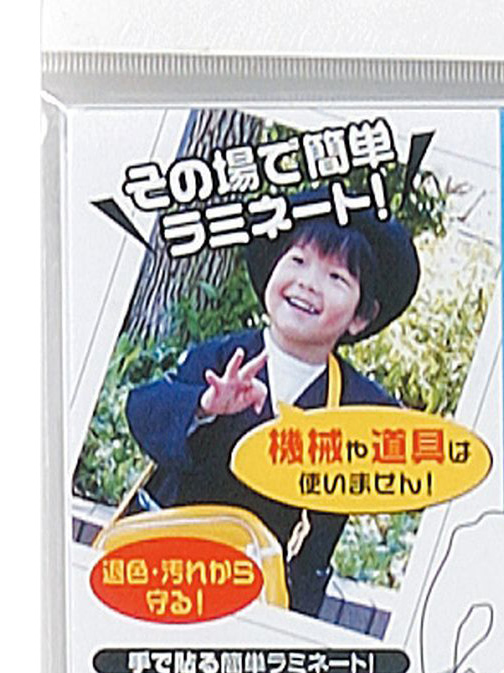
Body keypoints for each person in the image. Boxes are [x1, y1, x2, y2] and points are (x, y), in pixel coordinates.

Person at [125, 211, 420, 617]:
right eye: (298, 260)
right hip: (171, 570)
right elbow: (143, 409)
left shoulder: (361, 406)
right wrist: (204, 407)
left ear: (360, 317)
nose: (308, 282)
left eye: (336, 278)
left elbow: (408, 469)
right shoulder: (221, 358)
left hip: (272, 601)